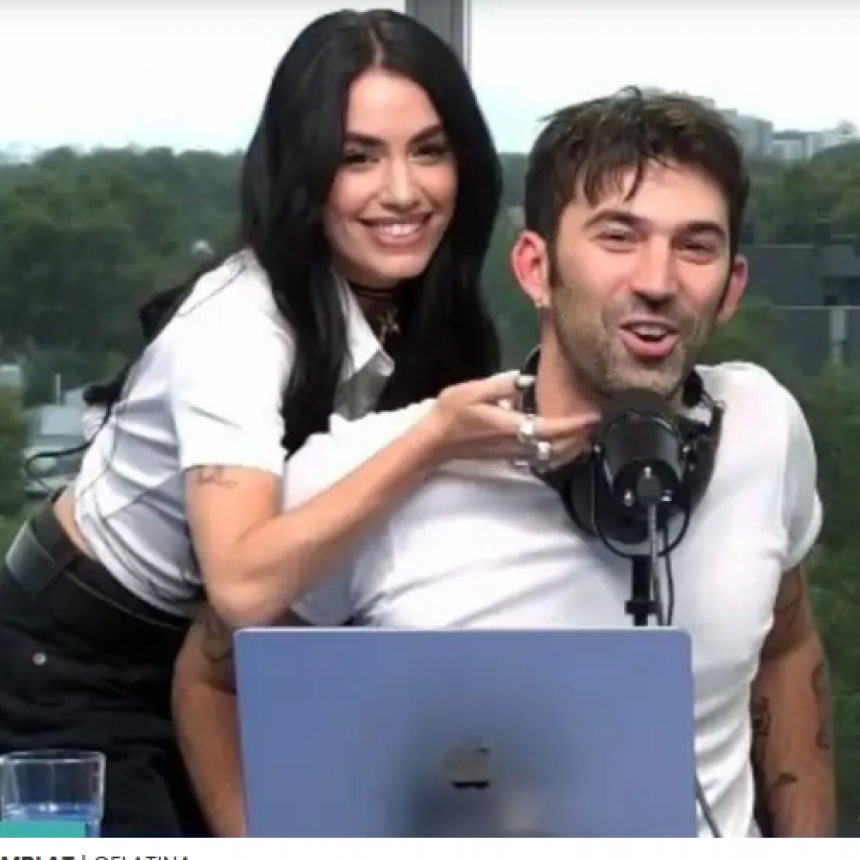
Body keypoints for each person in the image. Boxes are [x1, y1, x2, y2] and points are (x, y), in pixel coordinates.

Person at [174, 88, 836, 838]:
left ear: (731, 288)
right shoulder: (373, 471)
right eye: (619, 237)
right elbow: (210, 678)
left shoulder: (765, 429)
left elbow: (785, 644)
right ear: (534, 268)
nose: (658, 279)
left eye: (695, 246)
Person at [0, 9, 594, 838]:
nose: (403, 191)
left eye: (430, 150)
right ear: (302, 173)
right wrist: (433, 439)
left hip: (232, 664)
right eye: (357, 158)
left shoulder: (420, 302)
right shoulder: (237, 326)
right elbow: (243, 586)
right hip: (77, 663)